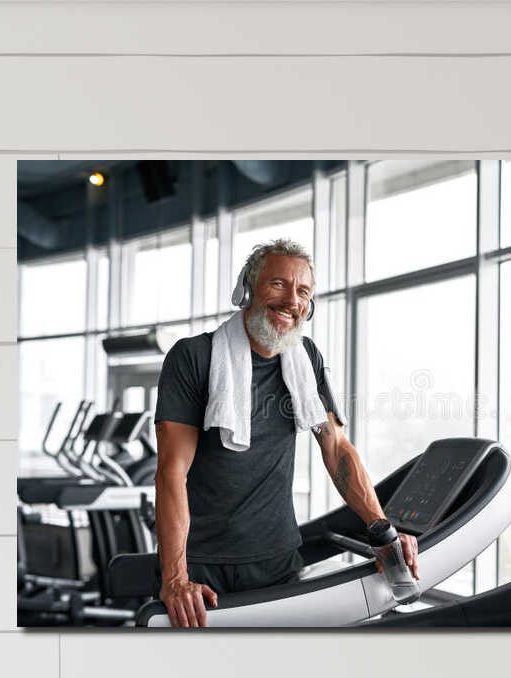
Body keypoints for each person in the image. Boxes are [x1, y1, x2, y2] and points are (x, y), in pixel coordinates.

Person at [152, 238, 417, 628]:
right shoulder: (194, 357)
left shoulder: (305, 359)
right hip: (203, 567)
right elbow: (171, 471)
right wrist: (175, 578)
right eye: (278, 284)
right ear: (247, 290)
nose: (292, 300)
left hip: (278, 563)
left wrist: (383, 534)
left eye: (303, 291)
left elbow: (337, 449)